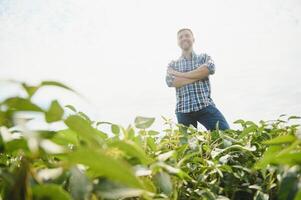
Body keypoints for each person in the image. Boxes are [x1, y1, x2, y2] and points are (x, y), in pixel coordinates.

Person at [165, 28, 230, 132]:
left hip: (204, 105)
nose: (184, 38)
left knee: (226, 134)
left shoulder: (204, 57)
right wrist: (198, 75)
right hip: (183, 110)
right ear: (177, 42)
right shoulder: (172, 64)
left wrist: (179, 74)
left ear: (193, 39)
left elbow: (209, 69)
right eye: (180, 37)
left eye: (187, 35)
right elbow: (171, 82)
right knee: (188, 147)